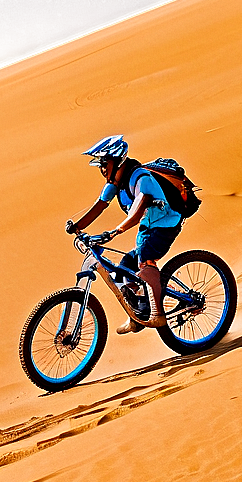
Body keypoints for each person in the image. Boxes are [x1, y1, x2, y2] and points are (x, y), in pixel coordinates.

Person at [65, 135, 182, 335]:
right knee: (126, 266)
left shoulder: (140, 178)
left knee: (145, 260)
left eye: (104, 163)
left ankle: (158, 315)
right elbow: (99, 206)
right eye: (100, 165)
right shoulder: (114, 184)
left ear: (117, 160)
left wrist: (115, 231)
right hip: (148, 228)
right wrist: (77, 227)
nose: (102, 169)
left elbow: (138, 209)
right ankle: (137, 316)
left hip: (165, 225)